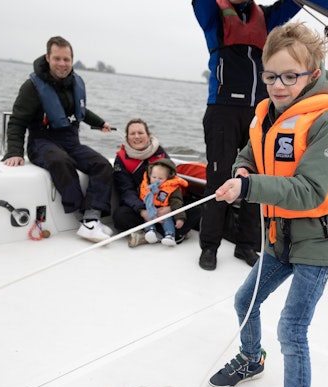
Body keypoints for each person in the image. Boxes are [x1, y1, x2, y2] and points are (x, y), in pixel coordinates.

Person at [207, 22, 328, 387]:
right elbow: (249, 154)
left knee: (292, 331)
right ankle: (251, 359)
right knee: (246, 300)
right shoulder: (266, 115)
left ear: (313, 76)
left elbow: (310, 190)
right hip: (280, 236)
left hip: (319, 240)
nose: (278, 86)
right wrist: (242, 173)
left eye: (290, 77)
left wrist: (249, 189)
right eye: (271, 76)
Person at [192, 0, 302, 271]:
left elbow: (294, 4)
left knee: (256, 179)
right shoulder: (213, 14)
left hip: (258, 111)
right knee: (219, 178)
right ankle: (209, 246)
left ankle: (246, 245)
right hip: (222, 109)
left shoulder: (265, 16)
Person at [3, 35, 114, 243]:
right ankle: (85, 217)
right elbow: (17, 122)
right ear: (48, 58)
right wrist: (14, 152)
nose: (62, 64)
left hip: (71, 141)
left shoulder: (74, 83)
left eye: (66, 59)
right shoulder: (32, 87)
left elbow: (80, 110)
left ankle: (92, 217)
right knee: (61, 161)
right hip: (42, 142)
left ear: (72, 60)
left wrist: (100, 123)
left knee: (102, 165)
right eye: (57, 59)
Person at [112, 118, 199, 247]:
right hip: (142, 206)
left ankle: (149, 235)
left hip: (166, 204)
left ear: (148, 135)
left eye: (141, 133)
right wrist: (144, 211)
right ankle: (171, 233)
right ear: (127, 137)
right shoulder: (121, 159)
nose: (137, 137)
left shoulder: (160, 153)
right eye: (132, 133)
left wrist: (170, 209)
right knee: (120, 217)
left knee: (197, 209)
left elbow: (173, 182)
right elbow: (126, 190)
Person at [138, 159, 188, 246]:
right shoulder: (145, 186)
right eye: (154, 177)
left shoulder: (172, 188)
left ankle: (170, 235)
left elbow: (177, 203)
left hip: (165, 211)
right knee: (147, 218)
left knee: (167, 219)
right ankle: (150, 231)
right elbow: (139, 197)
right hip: (150, 210)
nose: (156, 180)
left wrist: (179, 218)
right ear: (150, 175)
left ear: (168, 178)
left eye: (160, 178)